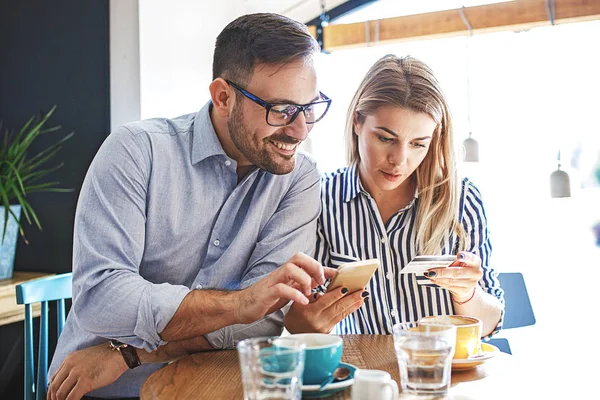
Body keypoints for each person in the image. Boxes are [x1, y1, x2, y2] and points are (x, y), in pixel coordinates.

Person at [47, 13, 350, 400]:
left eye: (309, 108)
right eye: (281, 110)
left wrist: (131, 353)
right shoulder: (135, 151)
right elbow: (102, 299)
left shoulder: (298, 179)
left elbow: (262, 322)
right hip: (102, 391)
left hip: (217, 387)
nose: (300, 129)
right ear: (223, 96)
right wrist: (242, 303)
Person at [283, 55, 504, 337]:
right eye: (386, 138)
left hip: (441, 375)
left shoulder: (462, 199)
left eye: (418, 144)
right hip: (363, 376)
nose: (399, 159)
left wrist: (467, 295)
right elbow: (296, 323)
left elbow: (490, 324)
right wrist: (307, 321)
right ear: (357, 122)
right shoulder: (319, 199)